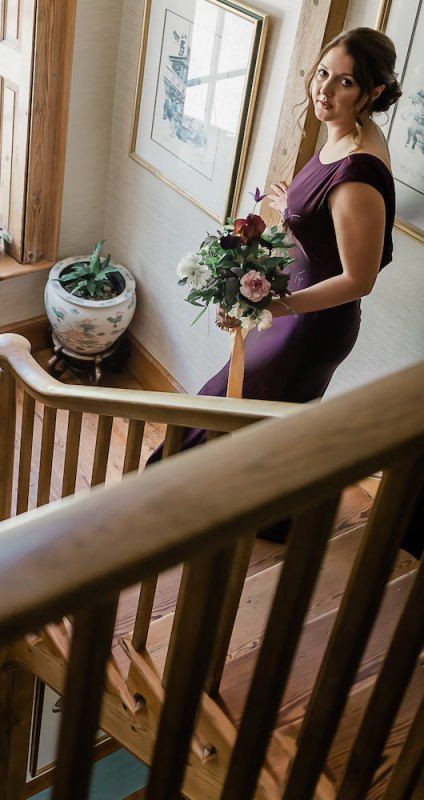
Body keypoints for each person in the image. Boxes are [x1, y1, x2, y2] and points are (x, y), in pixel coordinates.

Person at [146, 28, 421, 557]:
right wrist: (295, 205)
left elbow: (359, 279)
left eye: (345, 83)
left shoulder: (357, 175)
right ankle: (233, 510)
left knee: (231, 412)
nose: (325, 90)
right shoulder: (347, 131)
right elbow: (330, 223)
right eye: (323, 73)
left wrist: (272, 306)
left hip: (308, 327)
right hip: (296, 310)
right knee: (247, 413)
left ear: (373, 93)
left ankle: (184, 514)